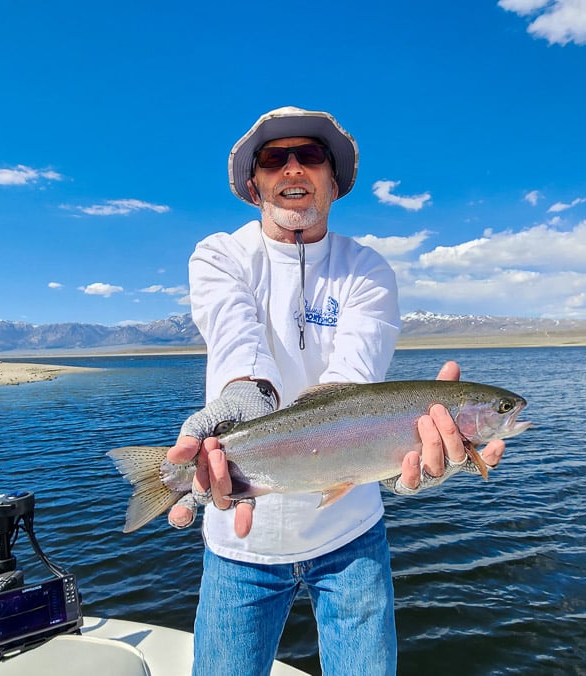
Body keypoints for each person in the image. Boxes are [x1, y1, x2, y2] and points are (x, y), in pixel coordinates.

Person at [165, 106, 507, 675]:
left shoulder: (368, 270)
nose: (293, 168)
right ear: (254, 183)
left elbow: (353, 376)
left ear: (333, 179)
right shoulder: (219, 255)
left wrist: (405, 444)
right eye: (274, 158)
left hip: (352, 539)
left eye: (311, 155)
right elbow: (235, 335)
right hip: (239, 544)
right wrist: (244, 394)